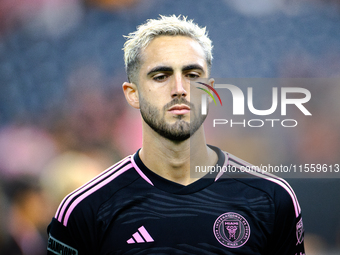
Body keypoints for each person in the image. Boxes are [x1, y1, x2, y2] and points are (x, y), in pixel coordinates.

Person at [47, 15, 305, 254]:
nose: (180, 89)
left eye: (192, 75)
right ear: (132, 93)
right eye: (161, 76)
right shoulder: (85, 210)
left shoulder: (272, 199)